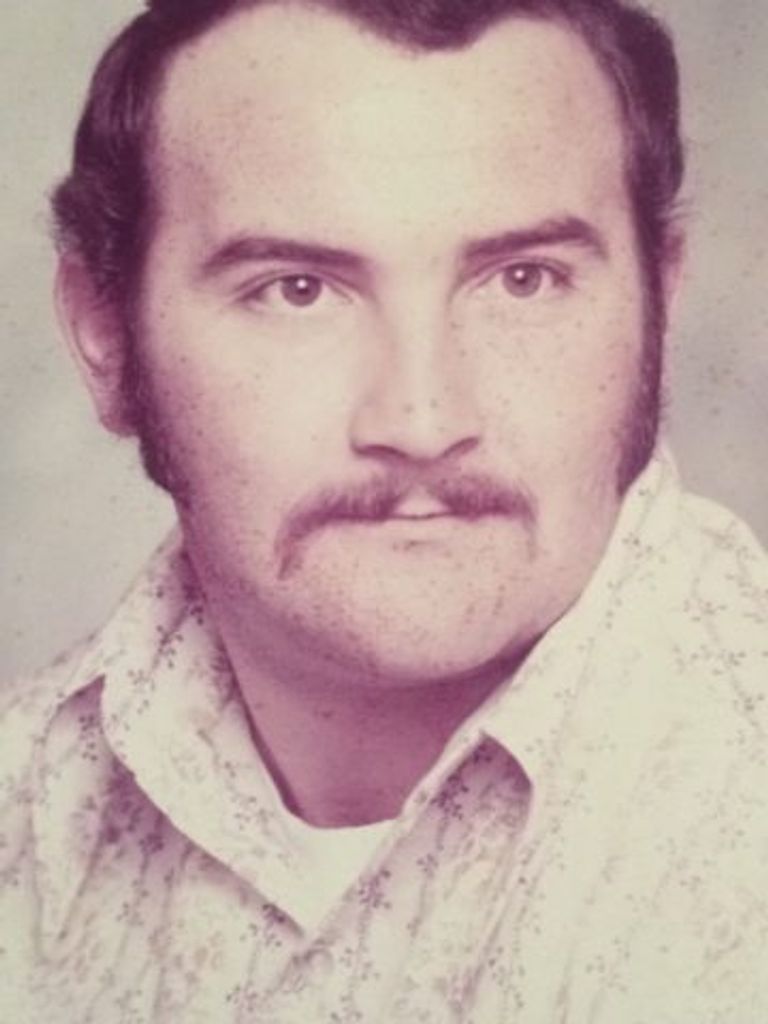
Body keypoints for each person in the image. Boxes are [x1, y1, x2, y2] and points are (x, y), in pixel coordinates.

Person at [1, 0, 766, 1019]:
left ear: (660, 306)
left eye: (524, 281)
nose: (421, 420)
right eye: (297, 290)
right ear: (105, 338)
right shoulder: (23, 801)